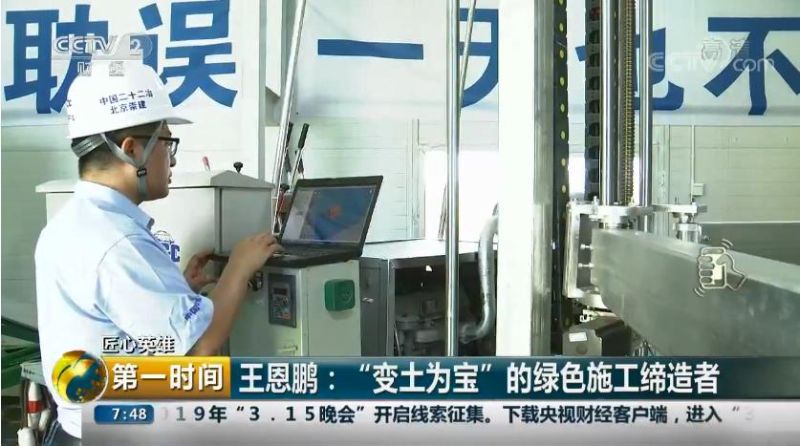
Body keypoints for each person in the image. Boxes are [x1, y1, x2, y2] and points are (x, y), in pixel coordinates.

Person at [34, 61, 280, 444]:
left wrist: (178, 291)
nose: (173, 158)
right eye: (167, 143)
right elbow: (198, 351)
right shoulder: (119, 241)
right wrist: (239, 269)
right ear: (131, 150)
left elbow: (115, 318)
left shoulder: (69, 223)